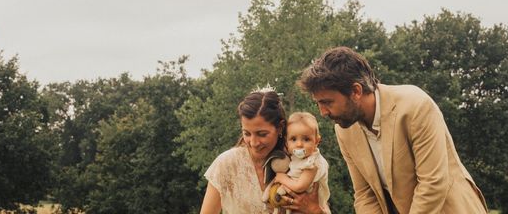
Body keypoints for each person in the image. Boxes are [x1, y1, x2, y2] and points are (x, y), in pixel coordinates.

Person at [287, 46, 488, 214]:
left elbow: (432, 184)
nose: (323, 112)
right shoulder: (344, 129)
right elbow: (365, 195)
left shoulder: (416, 105)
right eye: (319, 104)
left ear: (356, 91)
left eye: (328, 102)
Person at [200, 89, 287, 214]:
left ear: (280, 128)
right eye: (246, 133)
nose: (254, 142)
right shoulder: (226, 164)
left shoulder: (298, 162)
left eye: (262, 134)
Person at [273, 112, 330, 214]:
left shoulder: (313, 163)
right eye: (293, 139)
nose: (299, 144)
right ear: (287, 142)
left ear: (317, 141)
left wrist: (282, 178)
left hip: (309, 206)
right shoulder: (298, 158)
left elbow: (300, 187)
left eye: (306, 139)